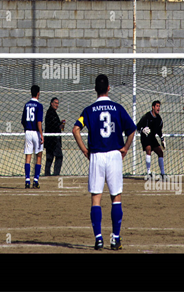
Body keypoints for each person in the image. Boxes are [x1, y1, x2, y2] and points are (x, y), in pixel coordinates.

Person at [72, 74, 136, 251]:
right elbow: (132, 129)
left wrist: (85, 150)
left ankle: (99, 239)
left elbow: (75, 129)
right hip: (115, 154)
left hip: (97, 156)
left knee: (96, 199)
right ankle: (115, 239)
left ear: (95, 89)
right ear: (108, 88)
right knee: (116, 197)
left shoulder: (89, 110)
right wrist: (125, 148)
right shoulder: (117, 108)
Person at [21, 85, 44, 189]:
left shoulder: (26, 105)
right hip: (36, 132)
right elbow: (39, 121)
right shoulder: (39, 106)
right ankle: (35, 180)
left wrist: (27, 129)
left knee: (28, 157)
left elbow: (22, 121)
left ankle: (27, 180)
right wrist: (41, 134)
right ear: (38, 93)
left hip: (28, 132)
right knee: (39, 155)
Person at [137, 100, 166, 180]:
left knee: (160, 152)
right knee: (148, 150)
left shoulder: (159, 119)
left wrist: (162, 139)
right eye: (157, 106)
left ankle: (162, 173)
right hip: (145, 137)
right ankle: (148, 172)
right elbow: (138, 126)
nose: (158, 108)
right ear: (153, 107)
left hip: (152, 137)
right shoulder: (146, 116)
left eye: (159, 106)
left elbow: (159, 131)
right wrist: (142, 129)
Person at [44, 97, 65, 176]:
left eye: (57, 103)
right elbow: (53, 126)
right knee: (59, 156)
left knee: (50, 158)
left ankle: (47, 174)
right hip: (53, 140)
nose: (57, 105)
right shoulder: (51, 113)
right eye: (55, 103)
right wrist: (60, 124)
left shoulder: (52, 113)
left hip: (50, 139)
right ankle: (55, 174)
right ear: (51, 103)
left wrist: (60, 124)